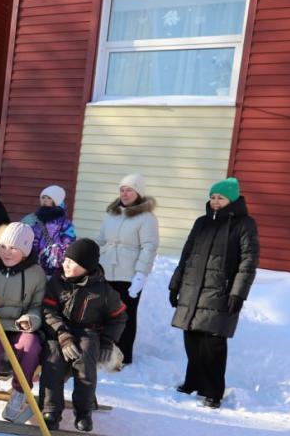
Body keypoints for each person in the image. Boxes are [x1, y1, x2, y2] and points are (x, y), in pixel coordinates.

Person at [168, 177, 259, 409]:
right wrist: (175, 284)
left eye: (221, 197)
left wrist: (238, 293)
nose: (215, 201)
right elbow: (186, 255)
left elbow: (248, 262)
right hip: (193, 289)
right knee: (192, 339)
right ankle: (193, 381)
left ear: (233, 199)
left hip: (221, 291)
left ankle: (213, 391)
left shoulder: (244, 224)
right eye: (213, 197)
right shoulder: (202, 222)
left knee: (213, 344)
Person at [39, 239, 127, 432]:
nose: (65, 264)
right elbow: (47, 311)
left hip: (87, 331)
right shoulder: (57, 283)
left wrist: (107, 342)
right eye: (65, 259)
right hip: (58, 333)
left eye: (72, 262)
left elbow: (119, 317)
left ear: (86, 267)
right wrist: (62, 334)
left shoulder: (103, 291)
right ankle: (51, 410)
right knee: (53, 360)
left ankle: (84, 411)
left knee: (86, 360)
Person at [0, 222, 46, 426]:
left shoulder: (37, 274)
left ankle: (19, 393)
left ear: (25, 250)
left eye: (13, 248)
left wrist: (31, 320)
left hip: (20, 326)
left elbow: (38, 305)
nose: (6, 252)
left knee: (30, 347)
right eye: (3, 246)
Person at [96, 173, 159, 365]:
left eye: (129, 190)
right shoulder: (111, 214)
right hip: (106, 270)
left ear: (138, 192)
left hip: (128, 273)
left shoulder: (146, 218)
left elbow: (149, 246)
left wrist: (141, 274)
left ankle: (122, 356)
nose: (124, 193)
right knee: (103, 313)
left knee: (125, 315)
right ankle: (102, 352)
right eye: (122, 190)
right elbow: (100, 240)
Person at [21, 184, 76, 277]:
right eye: (43, 197)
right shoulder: (33, 219)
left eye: (49, 198)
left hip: (55, 265)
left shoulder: (64, 223)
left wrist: (56, 252)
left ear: (56, 201)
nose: (45, 200)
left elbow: (69, 243)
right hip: (33, 263)